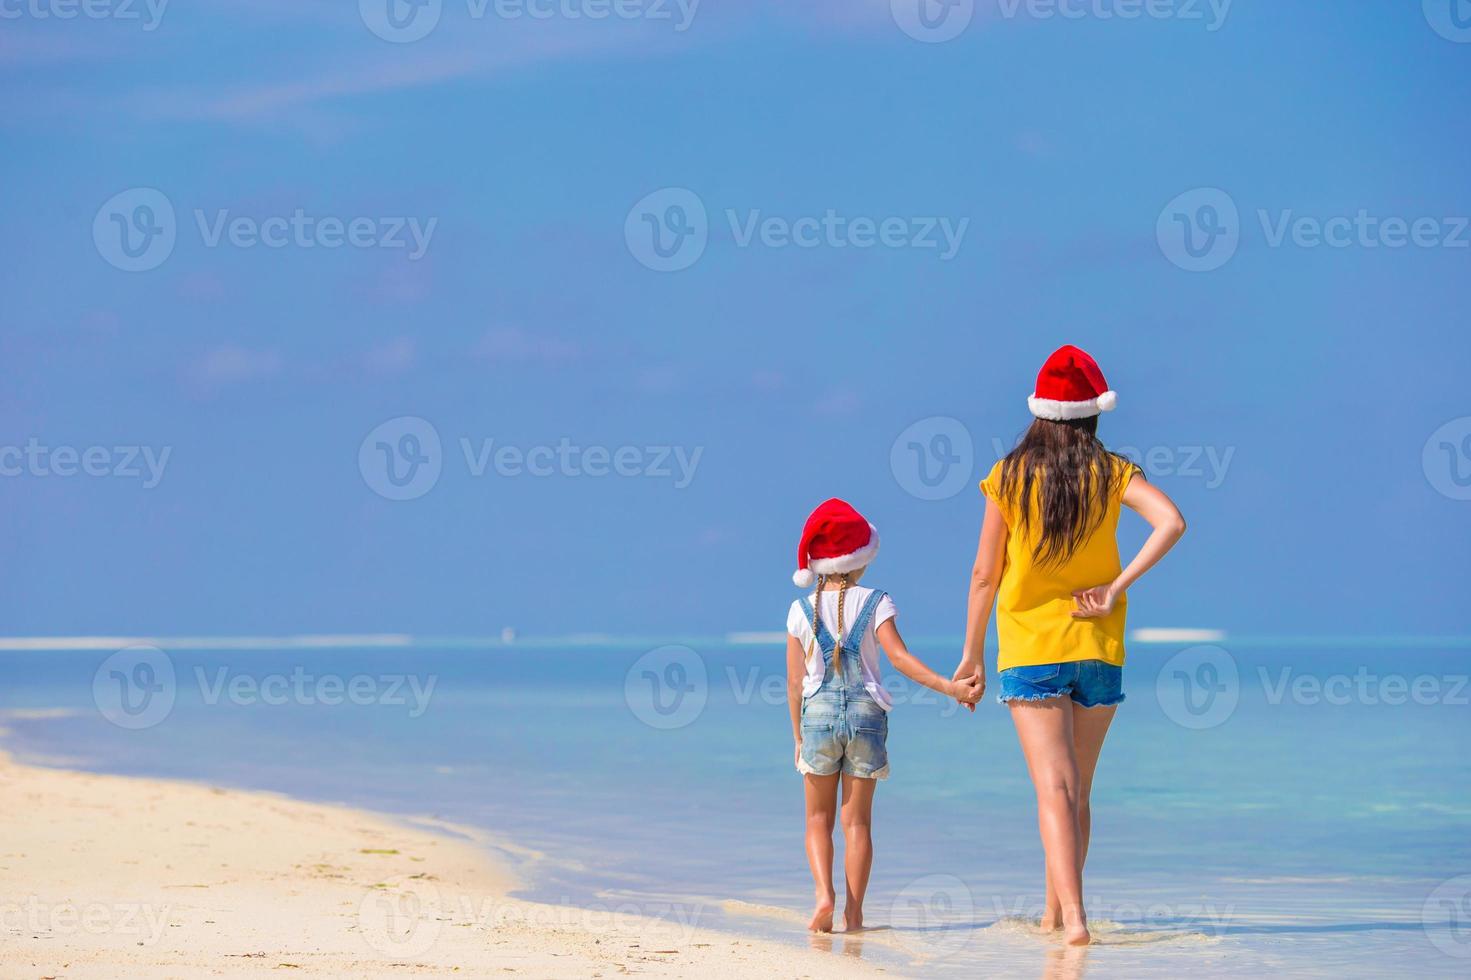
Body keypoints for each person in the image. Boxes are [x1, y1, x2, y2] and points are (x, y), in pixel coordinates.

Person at [952, 346, 1186, 945]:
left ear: (1041, 413)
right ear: (1090, 415)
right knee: (1078, 789)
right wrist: (1114, 586)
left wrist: (972, 654)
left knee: (1053, 788)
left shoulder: (1008, 476)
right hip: (1099, 645)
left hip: (1031, 647)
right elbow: (1171, 521)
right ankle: (1055, 917)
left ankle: (1074, 921)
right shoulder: (1112, 472)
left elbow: (985, 574)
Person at [785, 498, 984, 933]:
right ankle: (854, 914)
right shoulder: (878, 601)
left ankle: (823, 896)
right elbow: (900, 660)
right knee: (856, 823)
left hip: (817, 717)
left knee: (817, 820)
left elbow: (795, 684)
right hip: (867, 718)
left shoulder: (799, 611)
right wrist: (949, 688)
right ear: (861, 558)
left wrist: (799, 737)